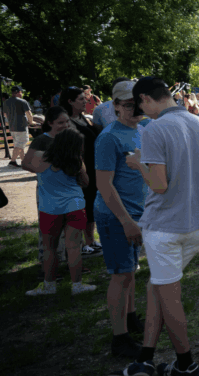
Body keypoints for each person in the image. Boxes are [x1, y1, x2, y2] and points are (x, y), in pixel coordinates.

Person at [108, 76, 199, 376]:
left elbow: (158, 184)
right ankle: (144, 359)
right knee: (157, 288)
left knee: (169, 295)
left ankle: (187, 364)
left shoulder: (155, 130)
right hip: (198, 223)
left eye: (140, 105)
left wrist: (136, 164)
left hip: (166, 227)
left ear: (146, 98)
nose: (141, 112)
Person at [93, 80, 149, 356]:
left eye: (138, 104)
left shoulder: (143, 129)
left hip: (136, 214)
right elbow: (104, 185)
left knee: (131, 270)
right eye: (128, 105)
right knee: (121, 274)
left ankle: (131, 317)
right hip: (116, 216)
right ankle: (119, 338)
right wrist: (126, 220)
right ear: (114, 105)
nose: (135, 110)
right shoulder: (108, 137)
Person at [25, 128, 96, 296]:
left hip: (49, 208)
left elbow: (30, 167)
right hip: (75, 206)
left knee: (50, 248)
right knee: (74, 248)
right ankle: (77, 285)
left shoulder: (39, 157)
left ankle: (49, 286)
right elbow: (86, 183)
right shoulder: (76, 161)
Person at [61, 87, 103, 255]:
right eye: (80, 99)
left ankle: (90, 240)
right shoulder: (67, 122)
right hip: (80, 169)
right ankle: (83, 243)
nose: (85, 101)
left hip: (92, 166)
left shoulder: (82, 118)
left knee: (91, 203)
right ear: (70, 101)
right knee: (83, 204)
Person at [3, 85, 33, 167]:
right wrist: (32, 122)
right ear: (19, 92)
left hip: (12, 127)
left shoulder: (6, 102)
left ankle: (24, 162)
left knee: (19, 145)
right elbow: (29, 114)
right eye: (21, 92)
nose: (22, 94)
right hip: (21, 127)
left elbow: (5, 115)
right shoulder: (22, 101)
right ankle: (12, 162)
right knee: (20, 145)